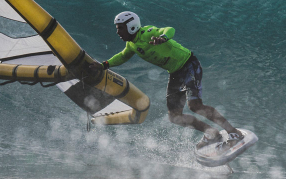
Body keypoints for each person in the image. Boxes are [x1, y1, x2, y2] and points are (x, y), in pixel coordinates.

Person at [93, 11, 242, 148]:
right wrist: (105, 65)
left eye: (120, 28)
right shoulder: (131, 44)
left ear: (131, 26)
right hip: (175, 73)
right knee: (174, 116)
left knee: (195, 105)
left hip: (188, 64)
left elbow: (168, 29)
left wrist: (163, 38)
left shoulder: (146, 33)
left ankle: (234, 132)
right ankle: (211, 133)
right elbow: (123, 56)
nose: (118, 32)